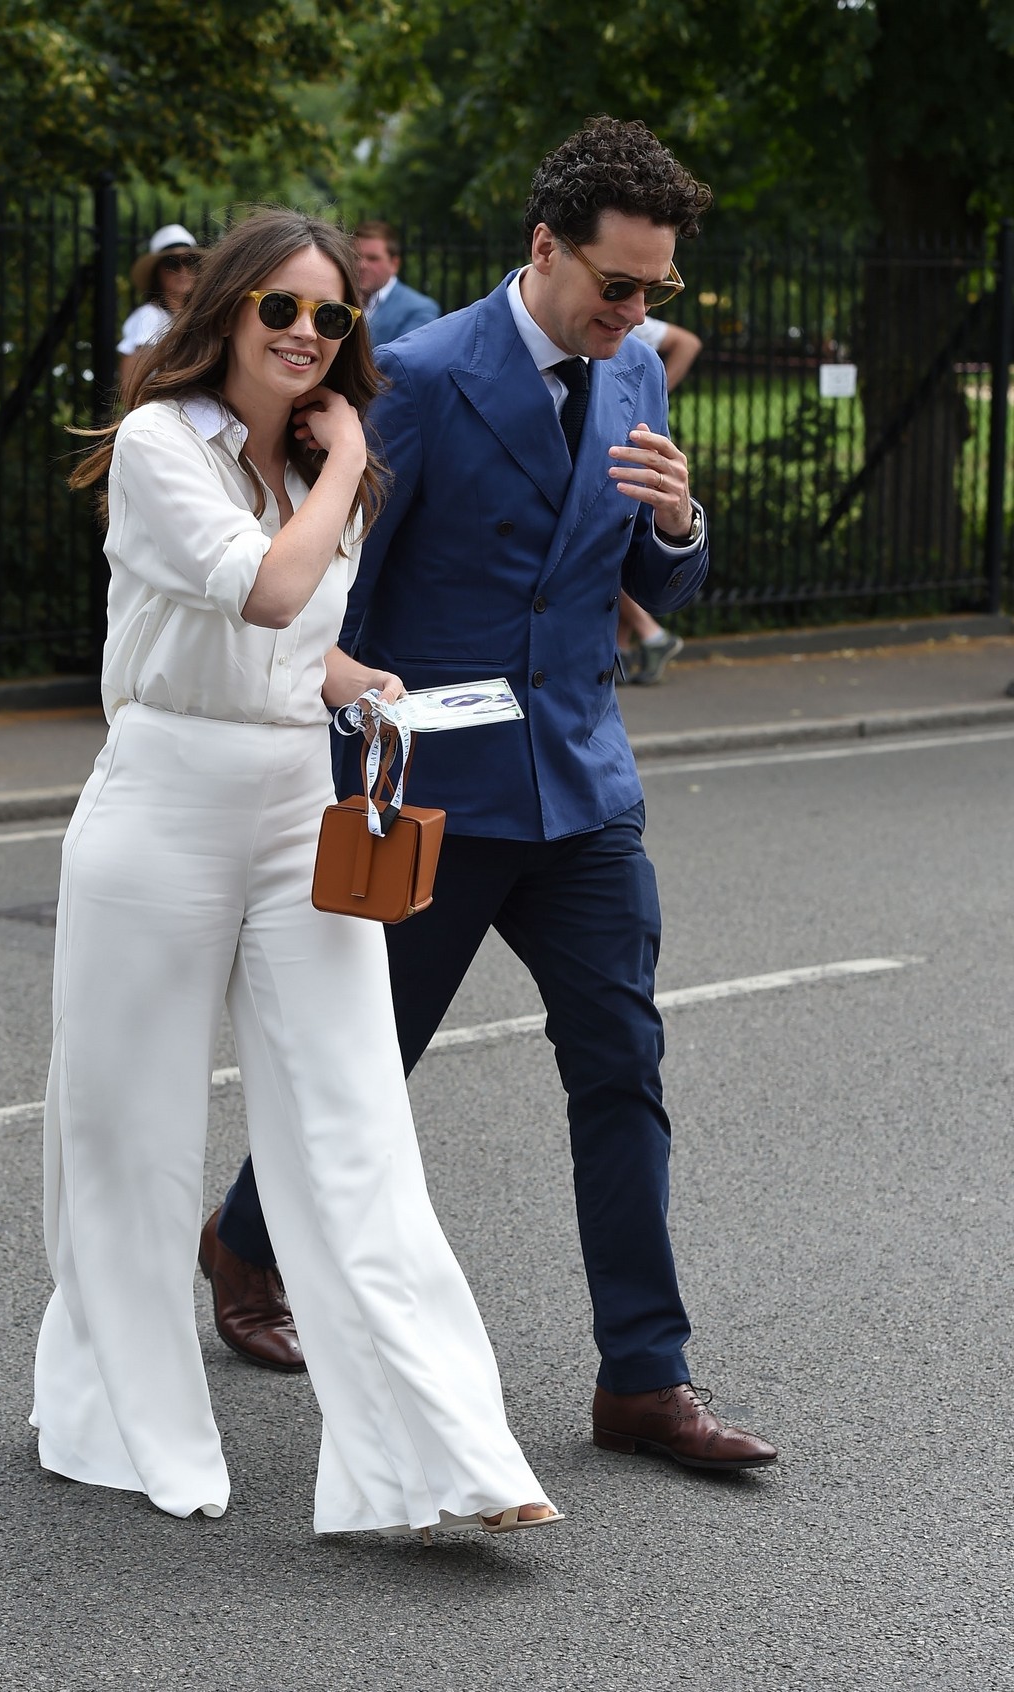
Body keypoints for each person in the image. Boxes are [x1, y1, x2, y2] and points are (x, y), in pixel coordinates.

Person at [207, 121, 779, 1475]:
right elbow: (327, 598)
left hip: (584, 784)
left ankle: (646, 1379)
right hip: (432, 794)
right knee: (368, 1063)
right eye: (616, 286)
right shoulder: (413, 378)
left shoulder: (634, 365)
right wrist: (348, 751)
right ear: (545, 249)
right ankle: (246, 1235)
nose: (635, 315)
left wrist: (683, 529)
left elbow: (649, 577)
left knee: (621, 1066)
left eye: (655, 291)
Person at [30, 207, 559, 1539]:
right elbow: (258, 593)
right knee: (129, 1125)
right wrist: (352, 463)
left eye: (334, 319)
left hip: (290, 799)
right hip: (159, 800)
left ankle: (440, 1458)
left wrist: (357, 679)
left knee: (354, 1117)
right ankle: (122, 1416)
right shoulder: (163, 446)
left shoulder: (314, 471)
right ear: (224, 315)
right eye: (283, 311)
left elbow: (291, 635)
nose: (310, 337)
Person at [619, 315, 706, 683]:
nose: (637, 310)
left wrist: (651, 398)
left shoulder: (622, 315)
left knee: (612, 535)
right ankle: (620, 652)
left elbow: (688, 342)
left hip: (631, 438)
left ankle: (650, 636)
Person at [117, 224, 201, 387]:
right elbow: (132, 383)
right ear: (157, 272)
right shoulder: (149, 316)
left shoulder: (200, 315)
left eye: (190, 262)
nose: (183, 270)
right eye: (172, 263)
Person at [354, 221, 440, 343]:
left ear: (394, 264)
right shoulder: (340, 298)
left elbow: (408, 359)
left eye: (373, 258)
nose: (361, 265)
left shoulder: (419, 309)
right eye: (355, 257)